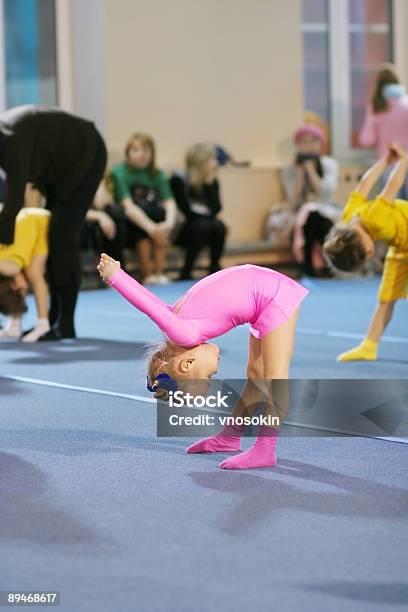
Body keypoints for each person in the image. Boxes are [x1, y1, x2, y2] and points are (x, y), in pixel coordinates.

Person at [97, 252, 309, 470]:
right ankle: (230, 436)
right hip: (263, 297)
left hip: (272, 296)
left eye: (209, 375)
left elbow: (149, 308)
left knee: (275, 377)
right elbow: (156, 304)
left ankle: (265, 449)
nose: (217, 368)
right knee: (256, 375)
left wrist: (117, 278)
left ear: (187, 364)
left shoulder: (184, 334)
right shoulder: (177, 325)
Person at [0, 105, 107, 340]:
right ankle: (51, 319)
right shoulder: (6, 135)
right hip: (63, 166)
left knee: (61, 237)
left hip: (87, 155)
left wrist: (4, 247)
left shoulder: (11, 141)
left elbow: (14, 199)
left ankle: (65, 323)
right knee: (52, 236)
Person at [323, 143, 408, 362]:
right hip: (401, 248)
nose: (371, 255)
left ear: (359, 241)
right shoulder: (349, 216)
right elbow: (364, 183)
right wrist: (386, 160)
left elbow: (392, 185)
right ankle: (369, 345)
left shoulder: (376, 218)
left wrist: (403, 160)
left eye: (366, 253)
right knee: (386, 297)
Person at [111, 133, 177, 284]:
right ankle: (147, 273)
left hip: (154, 221)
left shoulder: (157, 174)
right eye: (136, 150)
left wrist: (168, 224)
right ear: (128, 154)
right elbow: (128, 206)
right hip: (134, 223)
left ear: (152, 154)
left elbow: (170, 202)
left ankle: (159, 272)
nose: (141, 155)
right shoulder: (119, 173)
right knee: (143, 219)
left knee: (159, 213)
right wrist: (152, 229)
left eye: (146, 150)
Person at [280, 124, 340, 276]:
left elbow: (325, 193)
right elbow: (293, 200)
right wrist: (300, 175)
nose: (309, 146)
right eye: (304, 142)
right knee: (310, 217)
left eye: (313, 141)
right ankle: (320, 264)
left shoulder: (329, 164)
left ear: (320, 143)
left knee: (318, 219)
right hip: (300, 211)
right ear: (298, 145)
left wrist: (311, 171)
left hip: (325, 210)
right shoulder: (289, 169)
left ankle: (310, 264)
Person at [170, 143, 227, 280]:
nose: (215, 163)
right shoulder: (178, 180)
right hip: (182, 228)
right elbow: (186, 212)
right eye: (211, 159)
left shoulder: (211, 180)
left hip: (203, 227)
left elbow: (216, 209)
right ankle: (186, 269)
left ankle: (214, 267)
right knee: (203, 225)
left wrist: (209, 185)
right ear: (200, 162)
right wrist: (207, 217)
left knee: (219, 225)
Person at [0, 207, 51, 342]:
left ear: (14, 286)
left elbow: (18, 278)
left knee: (34, 272)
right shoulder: (10, 267)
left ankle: (43, 324)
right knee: (29, 271)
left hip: (39, 219)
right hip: (27, 222)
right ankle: (14, 325)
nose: (24, 288)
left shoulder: (10, 268)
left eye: (21, 289)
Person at [359, 64, 408, 198]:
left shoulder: (377, 106)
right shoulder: (406, 103)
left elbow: (366, 139)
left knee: (391, 209)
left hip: (389, 163)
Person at [83, 174, 127, 265]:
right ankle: (111, 267)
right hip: (81, 224)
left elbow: (101, 203)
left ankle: (116, 267)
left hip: (106, 225)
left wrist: (98, 180)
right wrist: (100, 216)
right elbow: (75, 211)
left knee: (115, 211)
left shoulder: (106, 178)